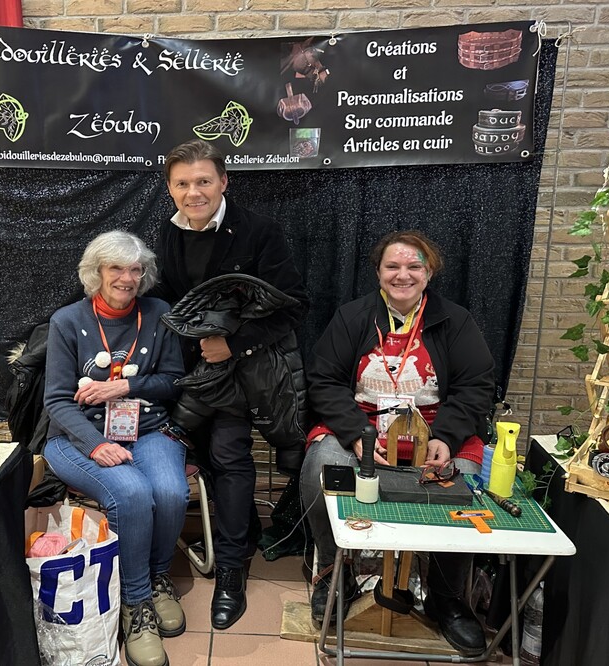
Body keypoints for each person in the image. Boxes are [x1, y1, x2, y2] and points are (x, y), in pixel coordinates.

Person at [300, 230, 494, 656]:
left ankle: (446, 596)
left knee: (462, 481)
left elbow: (476, 386)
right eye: (392, 266)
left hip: (434, 428)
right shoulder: (352, 317)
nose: (402, 275)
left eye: (413, 267)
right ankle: (333, 573)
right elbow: (324, 381)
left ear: (429, 273)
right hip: (361, 424)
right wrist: (356, 434)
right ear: (378, 272)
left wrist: (446, 437)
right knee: (321, 469)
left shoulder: (456, 320)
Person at [149, 139, 309, 630]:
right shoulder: (167, 232)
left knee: (229, 456)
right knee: (207, 461)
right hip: (191, 374)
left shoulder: (260, 231)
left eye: (203, 181)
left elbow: (293, 306)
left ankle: (232, 572)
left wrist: (232, 344)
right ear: (170, 188)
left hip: (241, 374)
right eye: (182, 183)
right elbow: (171, 298)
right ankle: (236, 536)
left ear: (223, 181)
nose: (193, 192)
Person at [44, 231, 189, 666]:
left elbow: (174, 381)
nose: (126, 278)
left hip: (149, 428)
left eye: (135, 269)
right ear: (97, 272)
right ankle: (136, 600)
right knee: (132, 493)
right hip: (77, 437)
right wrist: (95, 445)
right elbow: (57, 401)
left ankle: (158, 578)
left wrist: (125, 386)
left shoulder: (159, 313)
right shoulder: (67, 321)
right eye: (116, 268)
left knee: (170, 492)